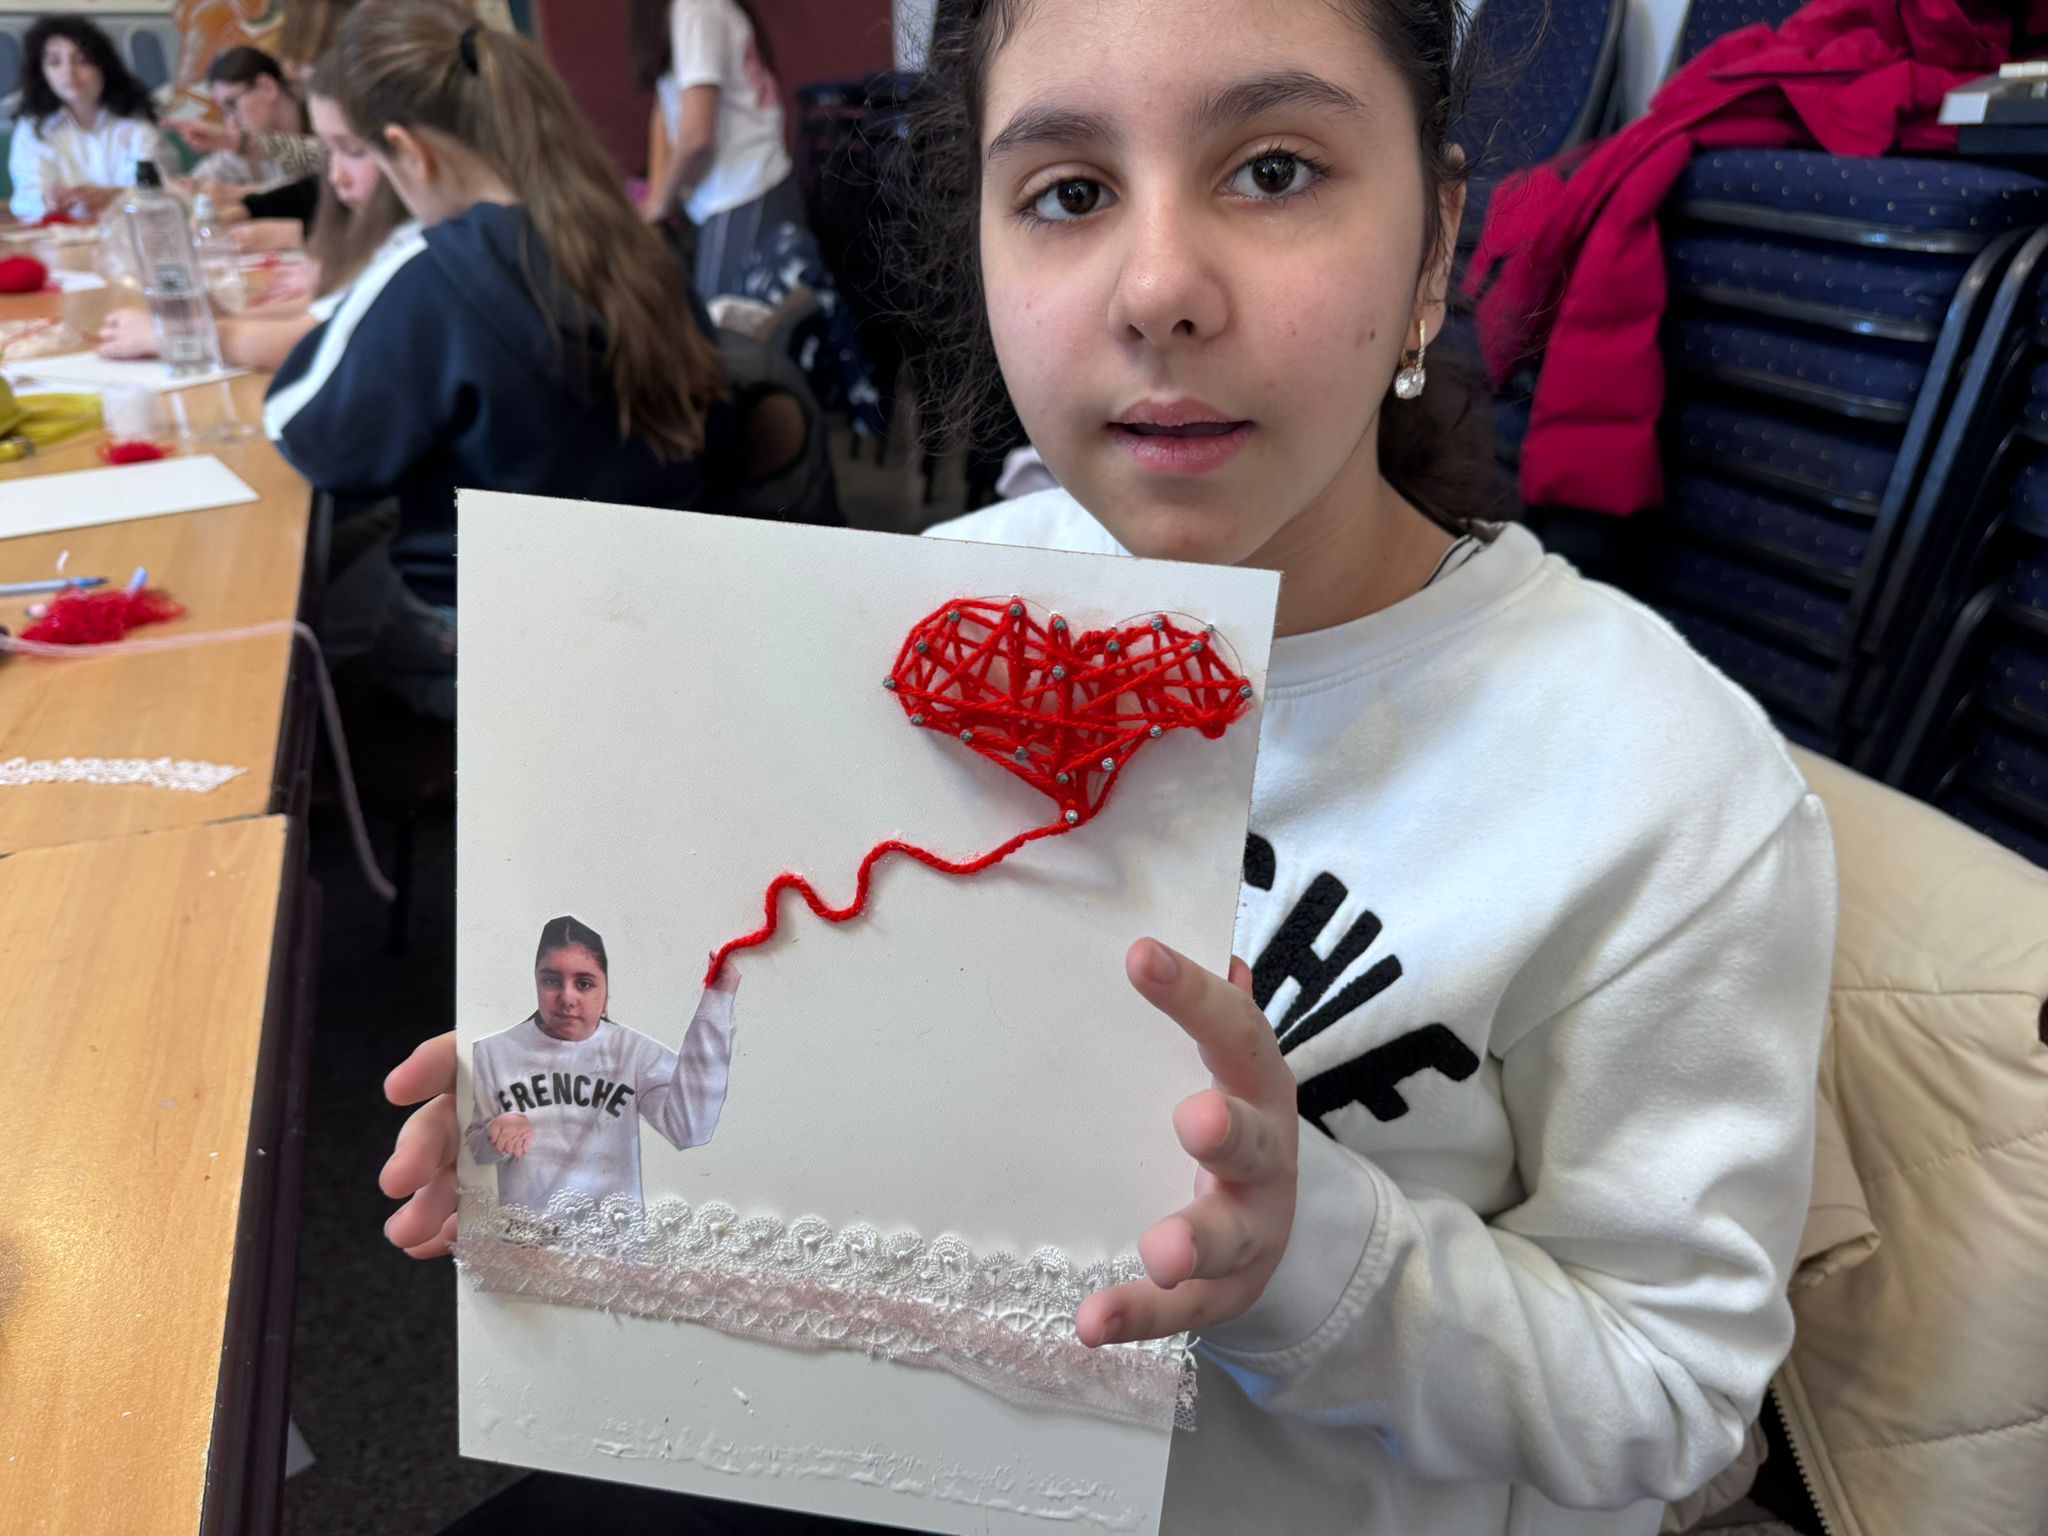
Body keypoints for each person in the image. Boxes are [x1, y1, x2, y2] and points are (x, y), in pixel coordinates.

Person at [382, 1, 1838, 1532]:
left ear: (1434, 243)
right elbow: (810, 1080)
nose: (1158, 291)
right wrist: (578, 1102)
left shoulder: (1657, 788)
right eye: (1069, 192)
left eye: (1274, 171)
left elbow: (1669, 1402)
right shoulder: (918, 628)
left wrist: (1310, 1255)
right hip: (880, 1459)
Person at [262, 0, 727, 721]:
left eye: (359, 153)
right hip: (650, 600)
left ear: (407, 151)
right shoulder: (630, 241)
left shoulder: (434, 273)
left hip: (496, 634)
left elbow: (309, 436)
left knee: (304, 631)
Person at [98, 63, 410, 373]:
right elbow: (322, 310)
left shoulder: (410, 246)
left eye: (233, 103)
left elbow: (314, 337)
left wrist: (178, 335)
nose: (335, 177)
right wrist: (213, 319)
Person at [469, 917, 740, 1214]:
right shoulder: (493, 1052)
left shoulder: (634, 1053)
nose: (567, 997)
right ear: (536, 980)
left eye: (584, 984)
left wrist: (717, 999)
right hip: (527, 1235)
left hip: (612, 1237)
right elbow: (475, 1151)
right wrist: (495, 1135)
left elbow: (690, 1129)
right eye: (551, 980)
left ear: (605, 991)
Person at [628, 0, 806, 298]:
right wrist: (658, 196)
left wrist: (660, 202)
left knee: (723, 324)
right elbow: (666, 105)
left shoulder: (695, 9)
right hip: (748, 192)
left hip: (742, 194)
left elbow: (697, 136)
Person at [7, 18, 171, 222]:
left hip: (133, 229)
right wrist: (46, 200)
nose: (68, 72)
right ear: (42, 73)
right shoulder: (33, 128)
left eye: (82, 60)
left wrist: (114, 195)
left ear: (103, 66)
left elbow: (164, 188)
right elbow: (23, 199)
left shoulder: (136, 122)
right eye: (54, 62)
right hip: (63, 234)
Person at [179, 46, 326, 192]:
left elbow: (319, 156)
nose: (231, 122)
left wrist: (240, 193)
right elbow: (217, 168)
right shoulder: (256, 136)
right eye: (225, 113)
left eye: (232, 104)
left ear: (267, 87)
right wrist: (190, 185)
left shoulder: (323, 110)